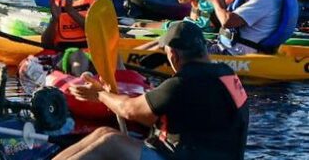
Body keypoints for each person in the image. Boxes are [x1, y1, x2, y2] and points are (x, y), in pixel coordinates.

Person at [54, 20, 248, 160]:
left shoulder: (181, 83)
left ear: (173, 55)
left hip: (180, 156)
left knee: (111, 143)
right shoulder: (228, 74)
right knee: (104, 132)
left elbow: (130, 109)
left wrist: (100, 94)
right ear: (204, 49)